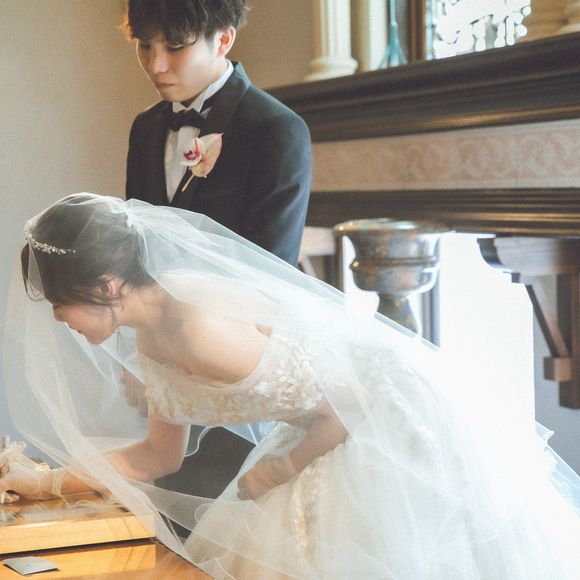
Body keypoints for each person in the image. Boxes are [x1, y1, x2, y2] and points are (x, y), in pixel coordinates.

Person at [3, 193, 580, 579]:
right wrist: (43, 482)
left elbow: (347, 403)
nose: (58, 319)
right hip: (322, 425)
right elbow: (157, 456)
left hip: (386, 420)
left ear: (107, 286)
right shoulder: (153, 339)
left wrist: (281, 469)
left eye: (60, 303)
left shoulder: (200, 329)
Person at [123, 0, 312, 266]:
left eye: (174, 47)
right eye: (144, 45)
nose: (155, 65)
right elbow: (135, 241)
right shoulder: (145, 127)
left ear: (223, 40)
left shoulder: (276, 130)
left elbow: (272, 269)